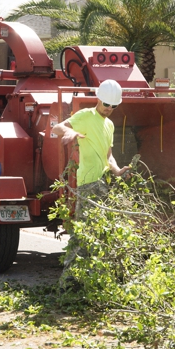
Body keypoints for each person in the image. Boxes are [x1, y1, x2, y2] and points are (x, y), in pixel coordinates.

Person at [52, 79, 130, 287]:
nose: (109, 109)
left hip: (104, 184)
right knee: (82, 235)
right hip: (88, 184)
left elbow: (108, 155)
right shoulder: (86, 115)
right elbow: (57, 128)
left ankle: (93, 282)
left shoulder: (110, 124)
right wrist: (70, 132)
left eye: (114, 106)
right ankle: (67, 285)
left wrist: (117, 170)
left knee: (101, 234)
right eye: (107, 104)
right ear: (98, 99)